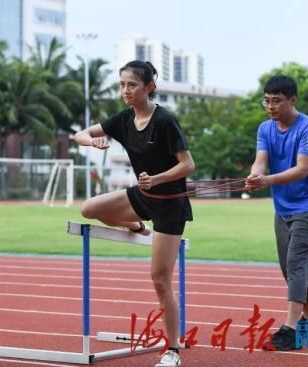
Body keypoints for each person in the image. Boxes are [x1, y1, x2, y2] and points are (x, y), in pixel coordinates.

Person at [73, 60, 194, 367]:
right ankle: (136, 226)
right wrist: (93, 141)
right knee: (90, 208)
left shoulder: (164, 121)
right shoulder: (123, 119)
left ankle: (172, 351)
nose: (125, 90)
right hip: (142, 196)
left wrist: (158, 178)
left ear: (148, 88)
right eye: (122, 84)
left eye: (132, 85)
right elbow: (79, 135)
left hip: (169, 204)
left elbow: (187, 165)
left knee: (159, 278)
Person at [246, 75, 308, 351]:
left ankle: (291, 329)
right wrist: (255, 176)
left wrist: (266, 181)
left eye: (276, 101)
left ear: (292, 100)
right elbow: (260, 162)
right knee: (288, 268)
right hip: (282, 208)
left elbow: (302, 169)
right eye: (266, 101)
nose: (270, 106)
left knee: (295, 265)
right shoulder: (265, 128)